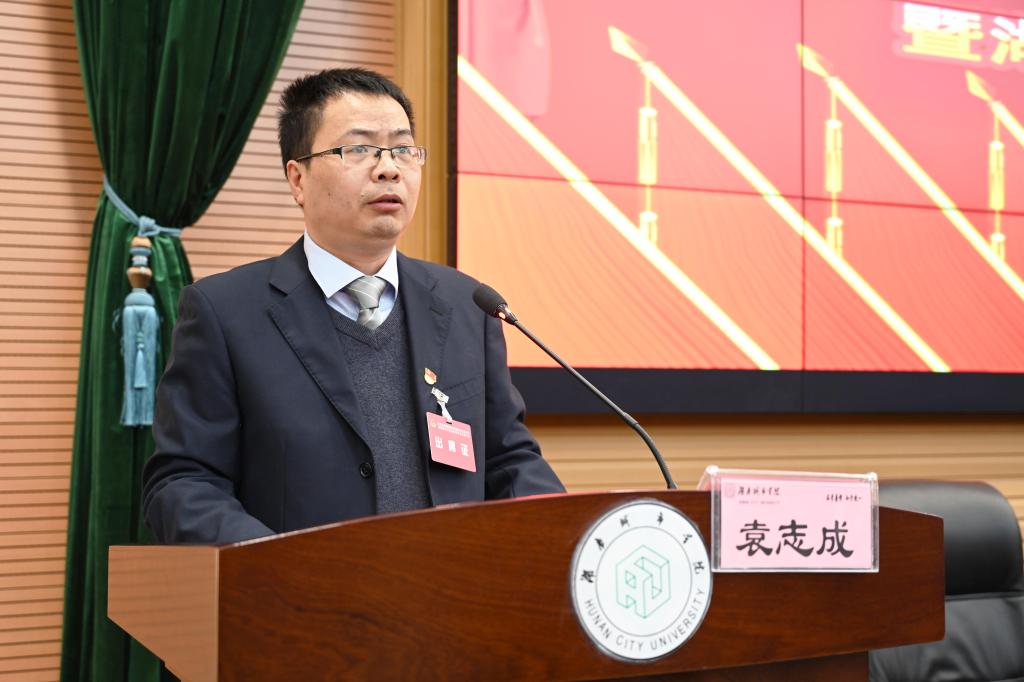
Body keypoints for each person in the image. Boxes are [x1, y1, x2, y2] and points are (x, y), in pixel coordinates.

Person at [142, 68, 564, 544]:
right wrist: (279, 564)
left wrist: (564, 534)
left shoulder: (467, 305)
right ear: (297, 179)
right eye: (359, 149)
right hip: (301, 587)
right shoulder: (225, 313)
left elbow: (509, 462)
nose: (389, 169)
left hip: (450, 585)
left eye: (403, 149)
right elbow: (183, 485)